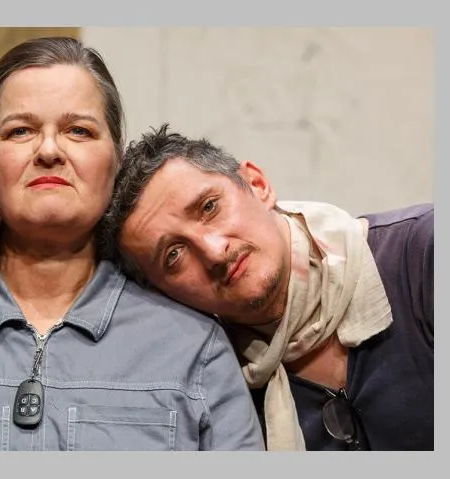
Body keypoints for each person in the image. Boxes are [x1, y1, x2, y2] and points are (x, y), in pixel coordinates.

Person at [0, 37, 264, 451]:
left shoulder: (194, 347)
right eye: (20, 131)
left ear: (116, 158)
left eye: (79, 131)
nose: (49, 150)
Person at [103, 123, 434, 451]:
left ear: (257, 184)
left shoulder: (424, 253)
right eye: (173, 255)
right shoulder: (209, 380)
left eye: (209, 207)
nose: (214, 251)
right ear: (163, 295)